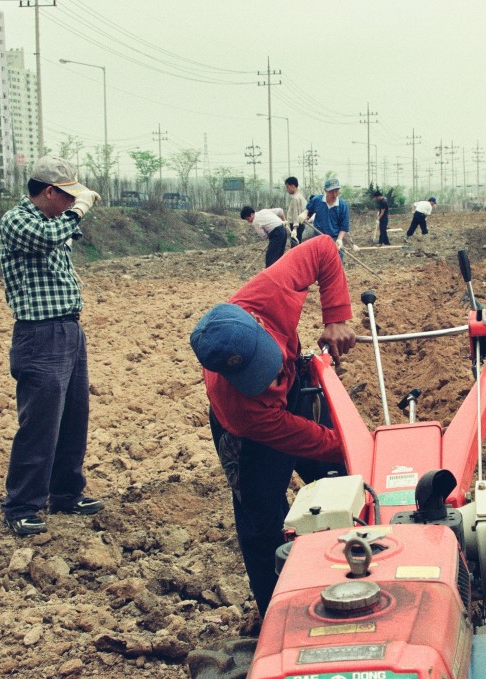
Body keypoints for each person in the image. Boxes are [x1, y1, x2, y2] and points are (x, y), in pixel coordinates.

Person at [191, 235, 356, 616]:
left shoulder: (268, 291)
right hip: (252, 441)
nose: (266, 383)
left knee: (345, 477)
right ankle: (278, 615)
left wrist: (335, 317)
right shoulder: (243, 408)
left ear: (259, 324)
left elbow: (324, 250)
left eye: (263, 369)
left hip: (298, 384)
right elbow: (313, 440)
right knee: (263, 522)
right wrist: (349, 443)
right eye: (254, 379)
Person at [0, 156, 103, 536]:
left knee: (74, 416)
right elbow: (48, 238)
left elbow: (60, 235)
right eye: (67, 196)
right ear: (49, 191)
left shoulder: (53, 221)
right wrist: (79, 211)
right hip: (39, 333)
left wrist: (71, 215)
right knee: (40, 422)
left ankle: (65, 493)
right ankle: (22, 505)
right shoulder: (19, 220)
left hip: (68, 329)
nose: (72, 203)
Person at [300, 177, 351, 262]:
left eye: (336, 191)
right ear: (325, 190)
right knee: (319, 262)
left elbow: (344, 226)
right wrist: (304, 214)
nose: (334, 194)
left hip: (334, 238)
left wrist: (339, 239)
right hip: (318, 237)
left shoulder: (342, 206)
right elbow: (309, 210)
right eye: (331, 191)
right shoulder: (317, 200)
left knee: (337, 262)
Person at [285, 176, 307, 243]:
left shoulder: (295, 198)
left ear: (292, 186)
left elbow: (295, 214)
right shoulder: (301, 196)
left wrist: (294, 229)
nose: (287, 189)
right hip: (301, 225)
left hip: (296, 226)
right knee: (299, 244)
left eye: (287, 187)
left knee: (295, 246)